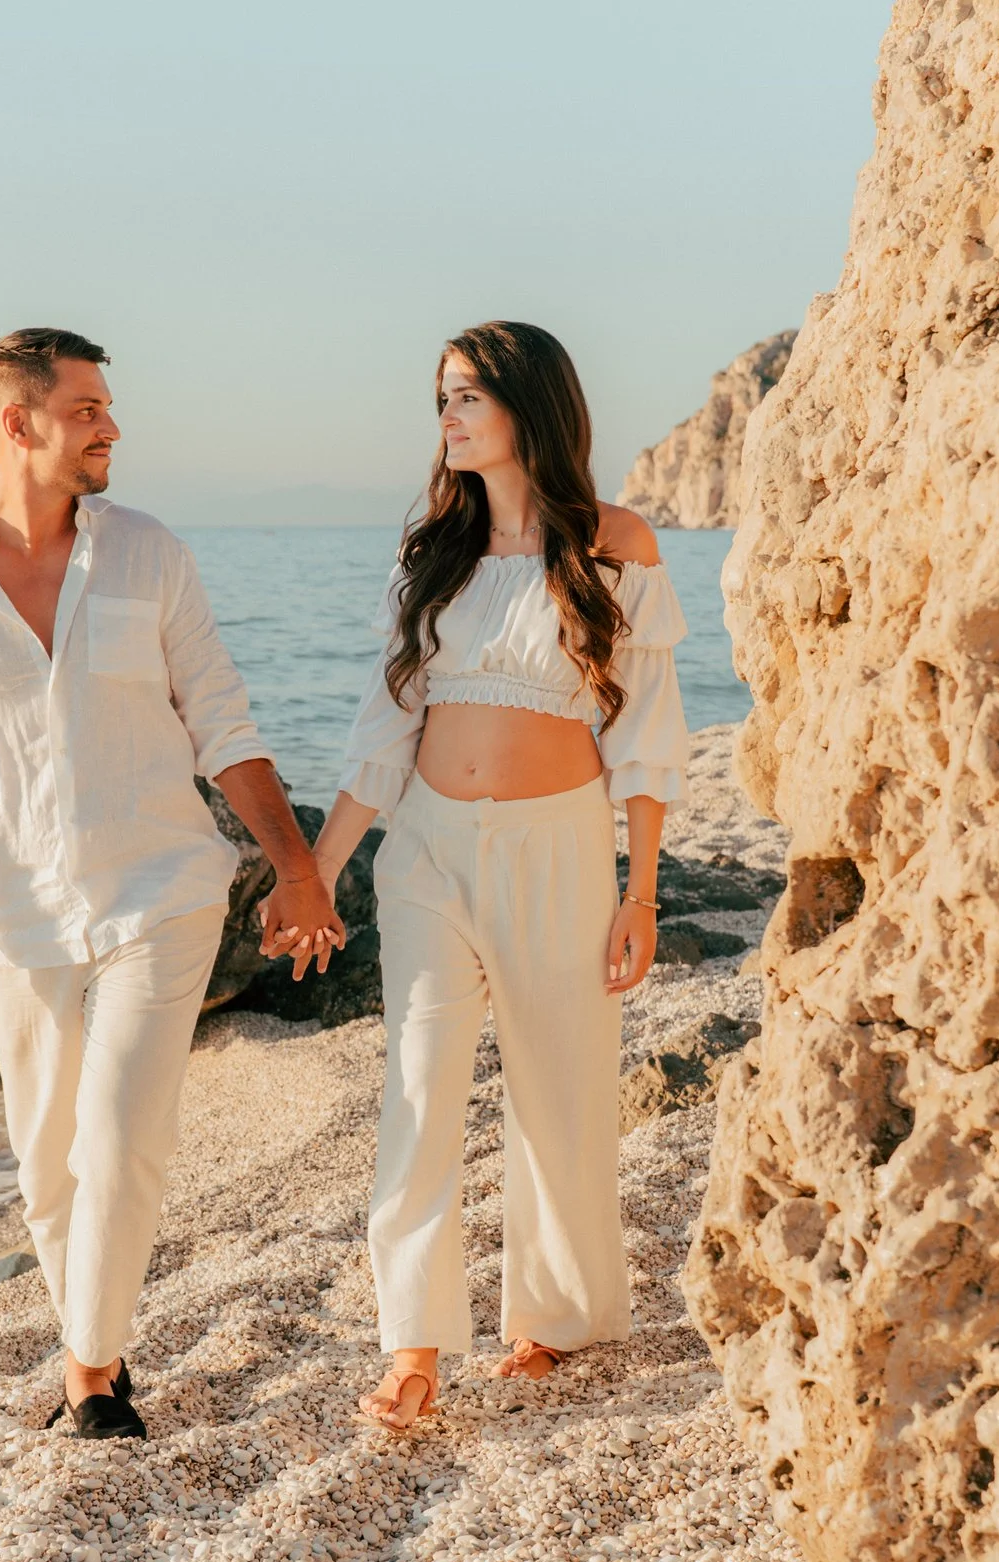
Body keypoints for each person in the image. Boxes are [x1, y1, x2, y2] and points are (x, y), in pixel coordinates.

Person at [0, 327, 342, 1440]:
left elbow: (221, 719)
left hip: (162, 889)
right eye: (87, 410)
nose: (112, 428)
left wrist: (296, 864)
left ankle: (88, 1375)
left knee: (121, 1130)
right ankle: (101, 1348)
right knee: (46, 1165)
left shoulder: (150, 554)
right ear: (15, 423)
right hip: (19, 911)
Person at [306, 320, 688, 1432]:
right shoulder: (432, 547)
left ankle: (555, 1318)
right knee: (418, 1088)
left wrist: (641, 887)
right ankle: (411, 1340)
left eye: (468, 394)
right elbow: (383, 731)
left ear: (529, 404)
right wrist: (321, 870)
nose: (449, 416)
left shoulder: (618, 542)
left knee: (559, 1084)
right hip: (425, 846)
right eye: (442, 398)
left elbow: (650, 735)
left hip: (558, 843)